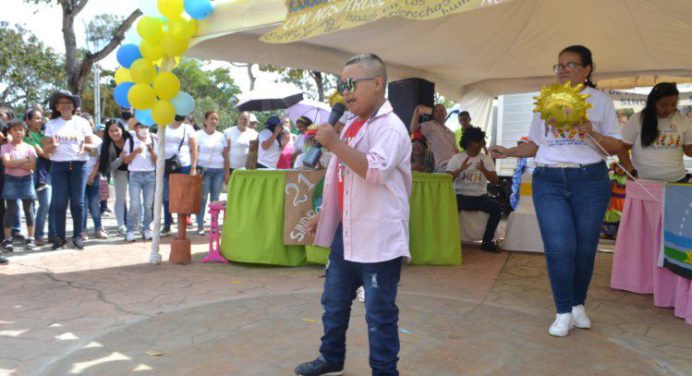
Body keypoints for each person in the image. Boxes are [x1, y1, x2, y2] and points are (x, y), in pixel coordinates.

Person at [490, 45, 623, 337]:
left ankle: (578, 305)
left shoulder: (600, 101)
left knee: (585, 248)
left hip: (590, 179)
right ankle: (563, 310)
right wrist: (509, 150)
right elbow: (536, 144)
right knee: (561, 246)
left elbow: (615, 147)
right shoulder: (546, 101)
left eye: (570, 65)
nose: (563, 70)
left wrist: (590, 131)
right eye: (559, 66)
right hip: (548, 179)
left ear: (587, 69)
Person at [295, 53, 412, 376]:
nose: (345, 92)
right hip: (345, 234)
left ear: (377, 83)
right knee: (333, 303)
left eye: (352, 84)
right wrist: (324, 213)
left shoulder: (391, 128)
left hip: (378, 237)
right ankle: (331, 356)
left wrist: (333, 142)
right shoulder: (351, 126)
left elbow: (374, 171)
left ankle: (384, 371)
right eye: (341, 85)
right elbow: (339, 176)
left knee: (379, 312)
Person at [43, 90, 96, 250]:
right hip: (59, 166)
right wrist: (54, 145)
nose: (65, 106)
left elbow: (92, 148)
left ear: (74, 106)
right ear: (57, 107)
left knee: (78, 203)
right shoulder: (52, 124)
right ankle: (60, 237)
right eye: (62, 104)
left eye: (68, 103)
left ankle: (78, 236)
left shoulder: (82, 123)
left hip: (79, 165)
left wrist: (85, 146)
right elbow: (46, 150)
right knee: (59, 203)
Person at [621, 82, 692, 183]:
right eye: (663, 105)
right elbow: (622, 147)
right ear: (653, 103)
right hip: (643, 181)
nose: (669, 109)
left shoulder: (683, 120)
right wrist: (630, 169)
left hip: (676, 179)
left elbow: (689, 151)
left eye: (673, 104)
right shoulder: (637, 119)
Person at [447, 127, 501, 252]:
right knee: (447, 209)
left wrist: (484, 170)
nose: (481, 144)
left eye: (482, 142)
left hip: (480, 197)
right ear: (469, 142)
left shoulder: (486, 159)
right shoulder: (456, 158)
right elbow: (447, 180)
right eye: (479, 142)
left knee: (496, 208)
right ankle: (450, 241)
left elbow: (495, 180)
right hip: (460, 196)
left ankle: (487, 242)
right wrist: (460, 169)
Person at [1, 120, 37, 252]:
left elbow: (32, 166)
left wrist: (16, 162)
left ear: (25, 131)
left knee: (29, 209)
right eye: (15, 130)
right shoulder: (4, 147)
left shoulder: (30, 147)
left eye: (21, 129)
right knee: (11, 209)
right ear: (9, 132)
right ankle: (7, 239)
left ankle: (31, 237)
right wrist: (25, 160)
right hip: (11, 179)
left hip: (27, 179)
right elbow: (7, 164)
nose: (18, 132)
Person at [122, 122, 157, 242]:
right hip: (135, 175)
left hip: (150, 175)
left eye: (146, 126)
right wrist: (135, 152)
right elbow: (126, 160)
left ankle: (146, 228)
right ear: (135, 128)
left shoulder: (153, 139)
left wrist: (151, 150)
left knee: (148, 205)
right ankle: (130, 230)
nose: (143, 129)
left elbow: (157, 160)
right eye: (141, 127)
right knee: (135, 204)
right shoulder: (130, 141)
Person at [162, 115, 198, 234]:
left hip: (183, 165)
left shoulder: (188, 128)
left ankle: (181, 227)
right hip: (166, 165)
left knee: (181, 198)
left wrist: (193, 167)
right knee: (166, 196)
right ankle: (167, 223)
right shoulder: (163, 124)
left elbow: (194, 149)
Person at [24, 109, 54, 246]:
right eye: (36, 118)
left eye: (40, 118)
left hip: (52, 170)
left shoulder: (44, 133)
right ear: (28, 121)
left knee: (53, 204)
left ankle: (53, 234)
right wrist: (54, 148)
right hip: (38, 173)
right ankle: (38, 234)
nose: (39, 120)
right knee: (45, 203)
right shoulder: (27, 136)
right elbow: (42, 153)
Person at [195, 110, 227, 235]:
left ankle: (214, 225)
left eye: (216, 119)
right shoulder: (198, 135)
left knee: (215, 200)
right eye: (211, 119)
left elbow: (225, 154)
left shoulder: (221, 136)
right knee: (202, 198)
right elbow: (195, 152)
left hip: (218, 170)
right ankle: (200, 225)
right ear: (205, 121)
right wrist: (195, 168)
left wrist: (226, 171)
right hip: (204, 170)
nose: (214, 121)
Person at [99, 119, 132, 235]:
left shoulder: (130, 138)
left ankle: (136, 223)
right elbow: (109, 167)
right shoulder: (107, 146)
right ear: (107, 133)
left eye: (117, 130)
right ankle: (121, 225)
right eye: (111, 131)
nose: (114, 133)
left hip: (135, 171)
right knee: (120, 199)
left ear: (122, 129)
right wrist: (121, 158)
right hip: (119, 172)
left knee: (136, 199)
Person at [410, 103, 458, 172]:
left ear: (446, 113)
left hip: (455, 164)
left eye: (441, 110)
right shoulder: (430, 126)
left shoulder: (451, 133)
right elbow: (413, 129)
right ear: (433, 115)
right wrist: (416, 112)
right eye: (436, 111)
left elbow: (456, 151)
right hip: (443, 165)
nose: (439, 112)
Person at [82, 120, 107, 240]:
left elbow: (99, 160)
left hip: (93, 176)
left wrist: (92, 175)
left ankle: (98, 228)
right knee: (82, 205)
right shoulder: (75, 139)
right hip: (78, 177)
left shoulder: (98, 141)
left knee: (94, 204)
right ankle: (82, 230)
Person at [223, 111, 258, 183]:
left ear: (249, 121)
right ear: (238, 119)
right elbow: (225, 153)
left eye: (245, 119)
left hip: (247, 170)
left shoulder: (255, 134)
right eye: (241, 118)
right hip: (231, 169)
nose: (243, 121)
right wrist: (226, 172)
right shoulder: (228, 132)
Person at [509, 137, 535, 210]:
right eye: (519, 144)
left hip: (532, 182)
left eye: (522, 144)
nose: (520, 146)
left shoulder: (535, 156)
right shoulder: (522, 157)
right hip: (523, 183)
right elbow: (518, 172)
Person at [602, 162, 626, 240]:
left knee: (621, 218)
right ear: (615, 168)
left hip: (623, 201)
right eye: (618, 167)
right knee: (609, 217)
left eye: (622, 167)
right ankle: (607, 233)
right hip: (612, 200)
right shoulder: (612, 176)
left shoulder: (628, 178)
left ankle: (618, 234)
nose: (620, 169)